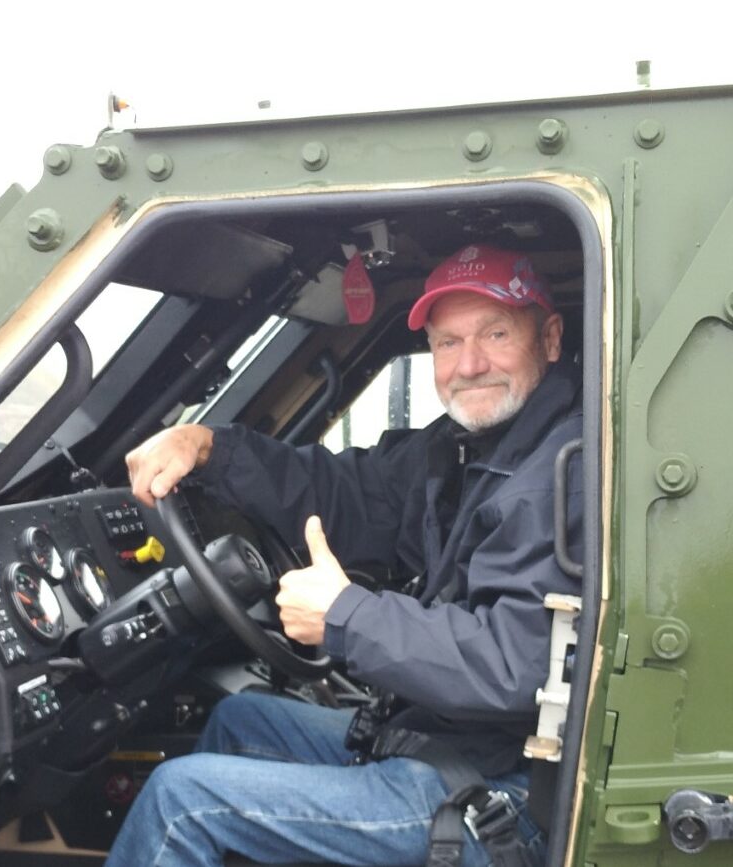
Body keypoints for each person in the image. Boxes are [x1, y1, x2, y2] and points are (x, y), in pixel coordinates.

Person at [107, 244, 582, 867]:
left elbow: (510, 666)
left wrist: (344, 616)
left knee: (181, 799)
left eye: (495, 334)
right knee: (241, 721)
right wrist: (209, 448)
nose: (469, 364)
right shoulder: (471, 447)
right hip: (453, 739)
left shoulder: (556, 474)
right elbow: (349, 491)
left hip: (505, 792)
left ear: (550, 338)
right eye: (447, 343)